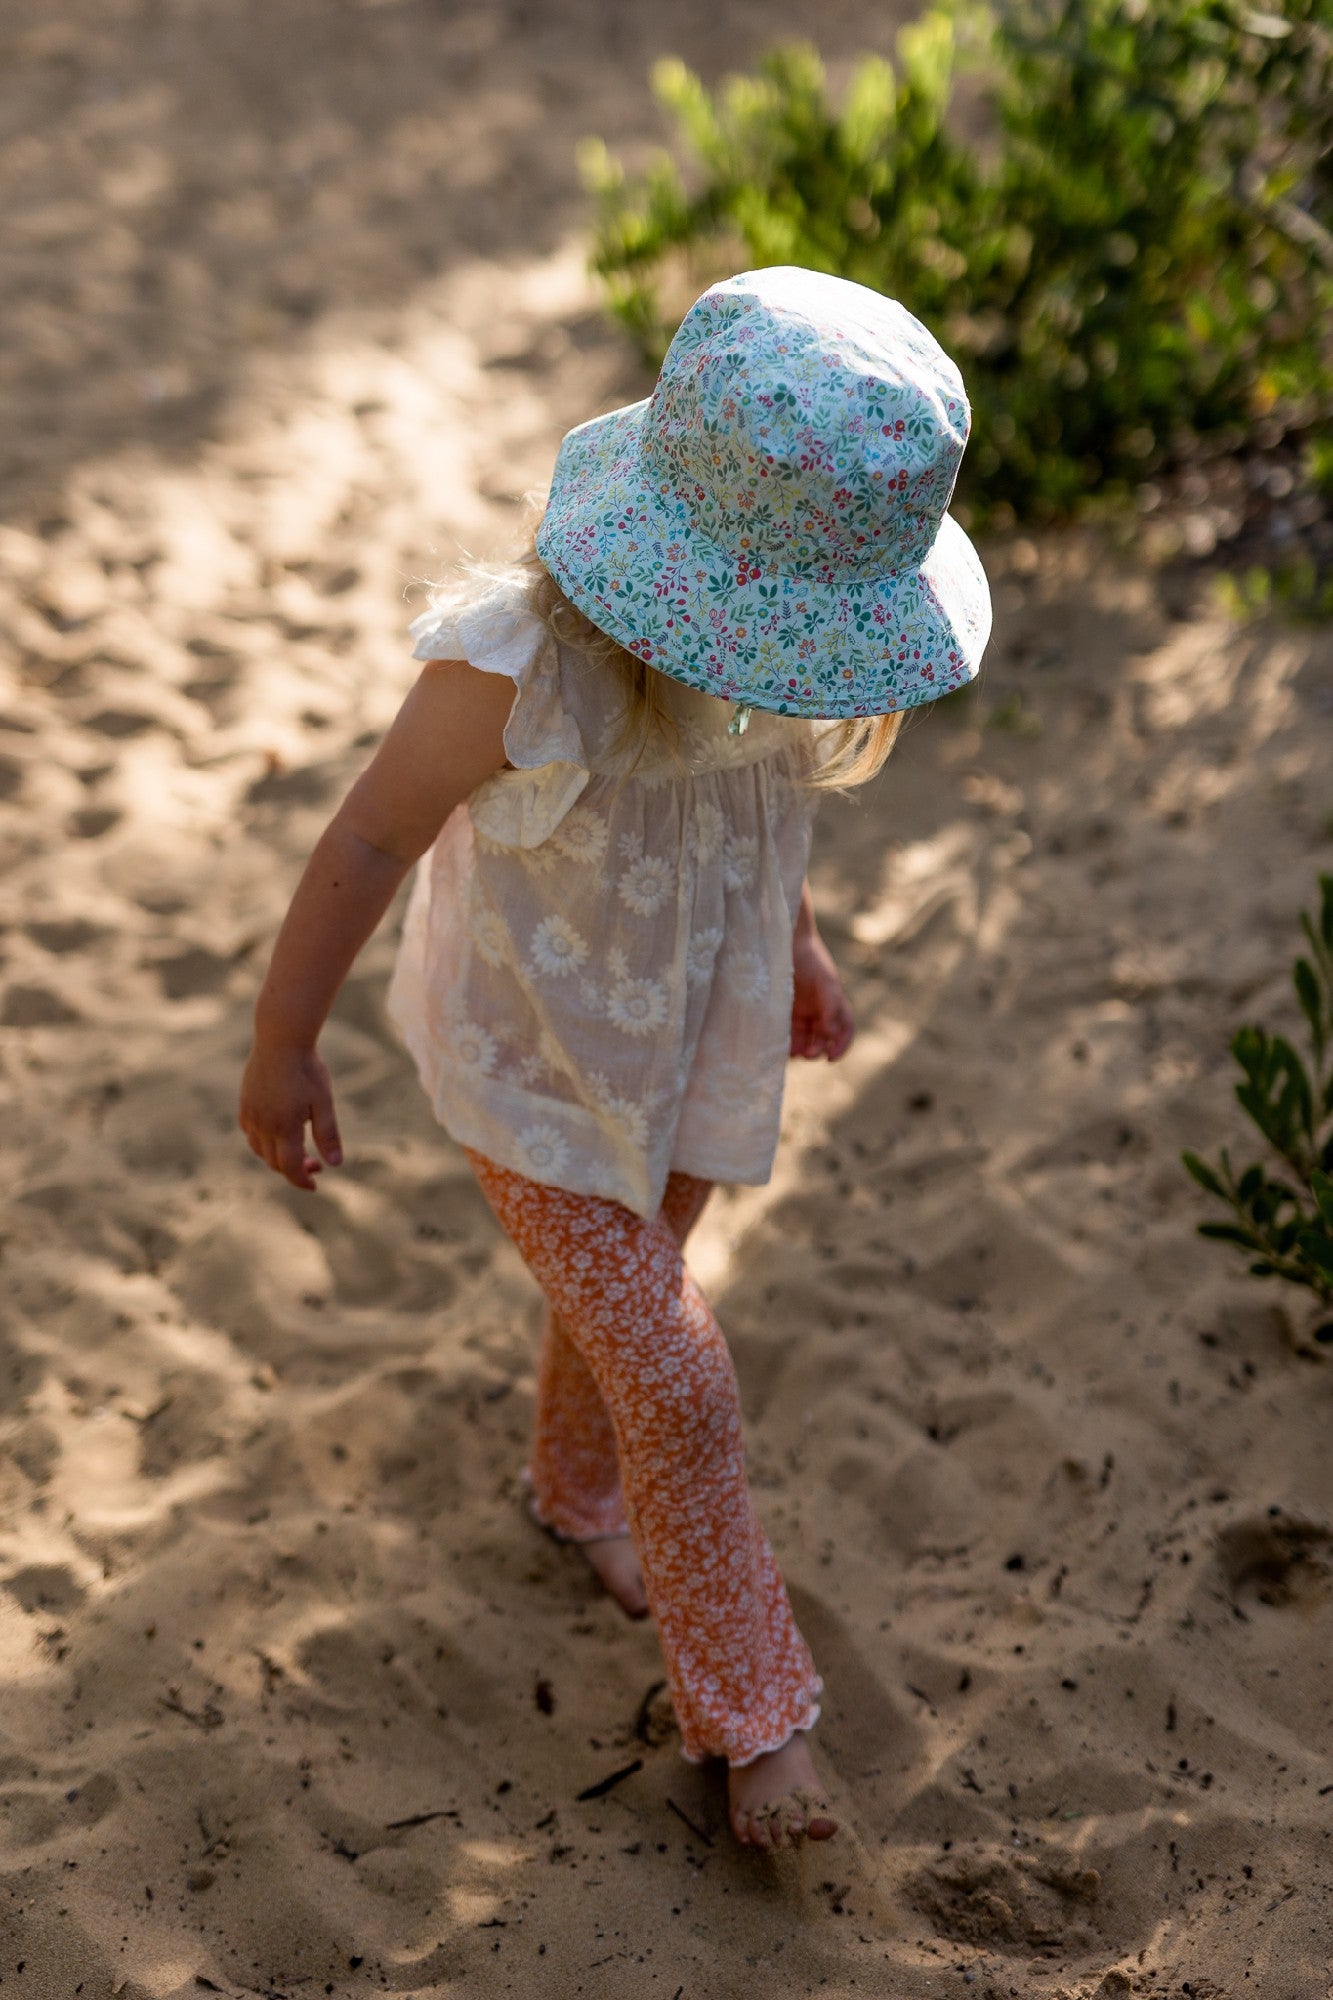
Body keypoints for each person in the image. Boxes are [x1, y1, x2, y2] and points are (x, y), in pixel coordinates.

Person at [239, 266, 991, 1850]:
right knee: (680, 1374)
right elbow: (374, 835)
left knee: (623, 1310)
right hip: (532, 1066)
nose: (806, 684)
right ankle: (755, 1721)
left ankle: (572, 1497)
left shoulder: (772, 675)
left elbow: (755, 822)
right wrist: (283, 1039)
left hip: (691, 1048)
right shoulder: (519, 668)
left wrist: (791, 947)